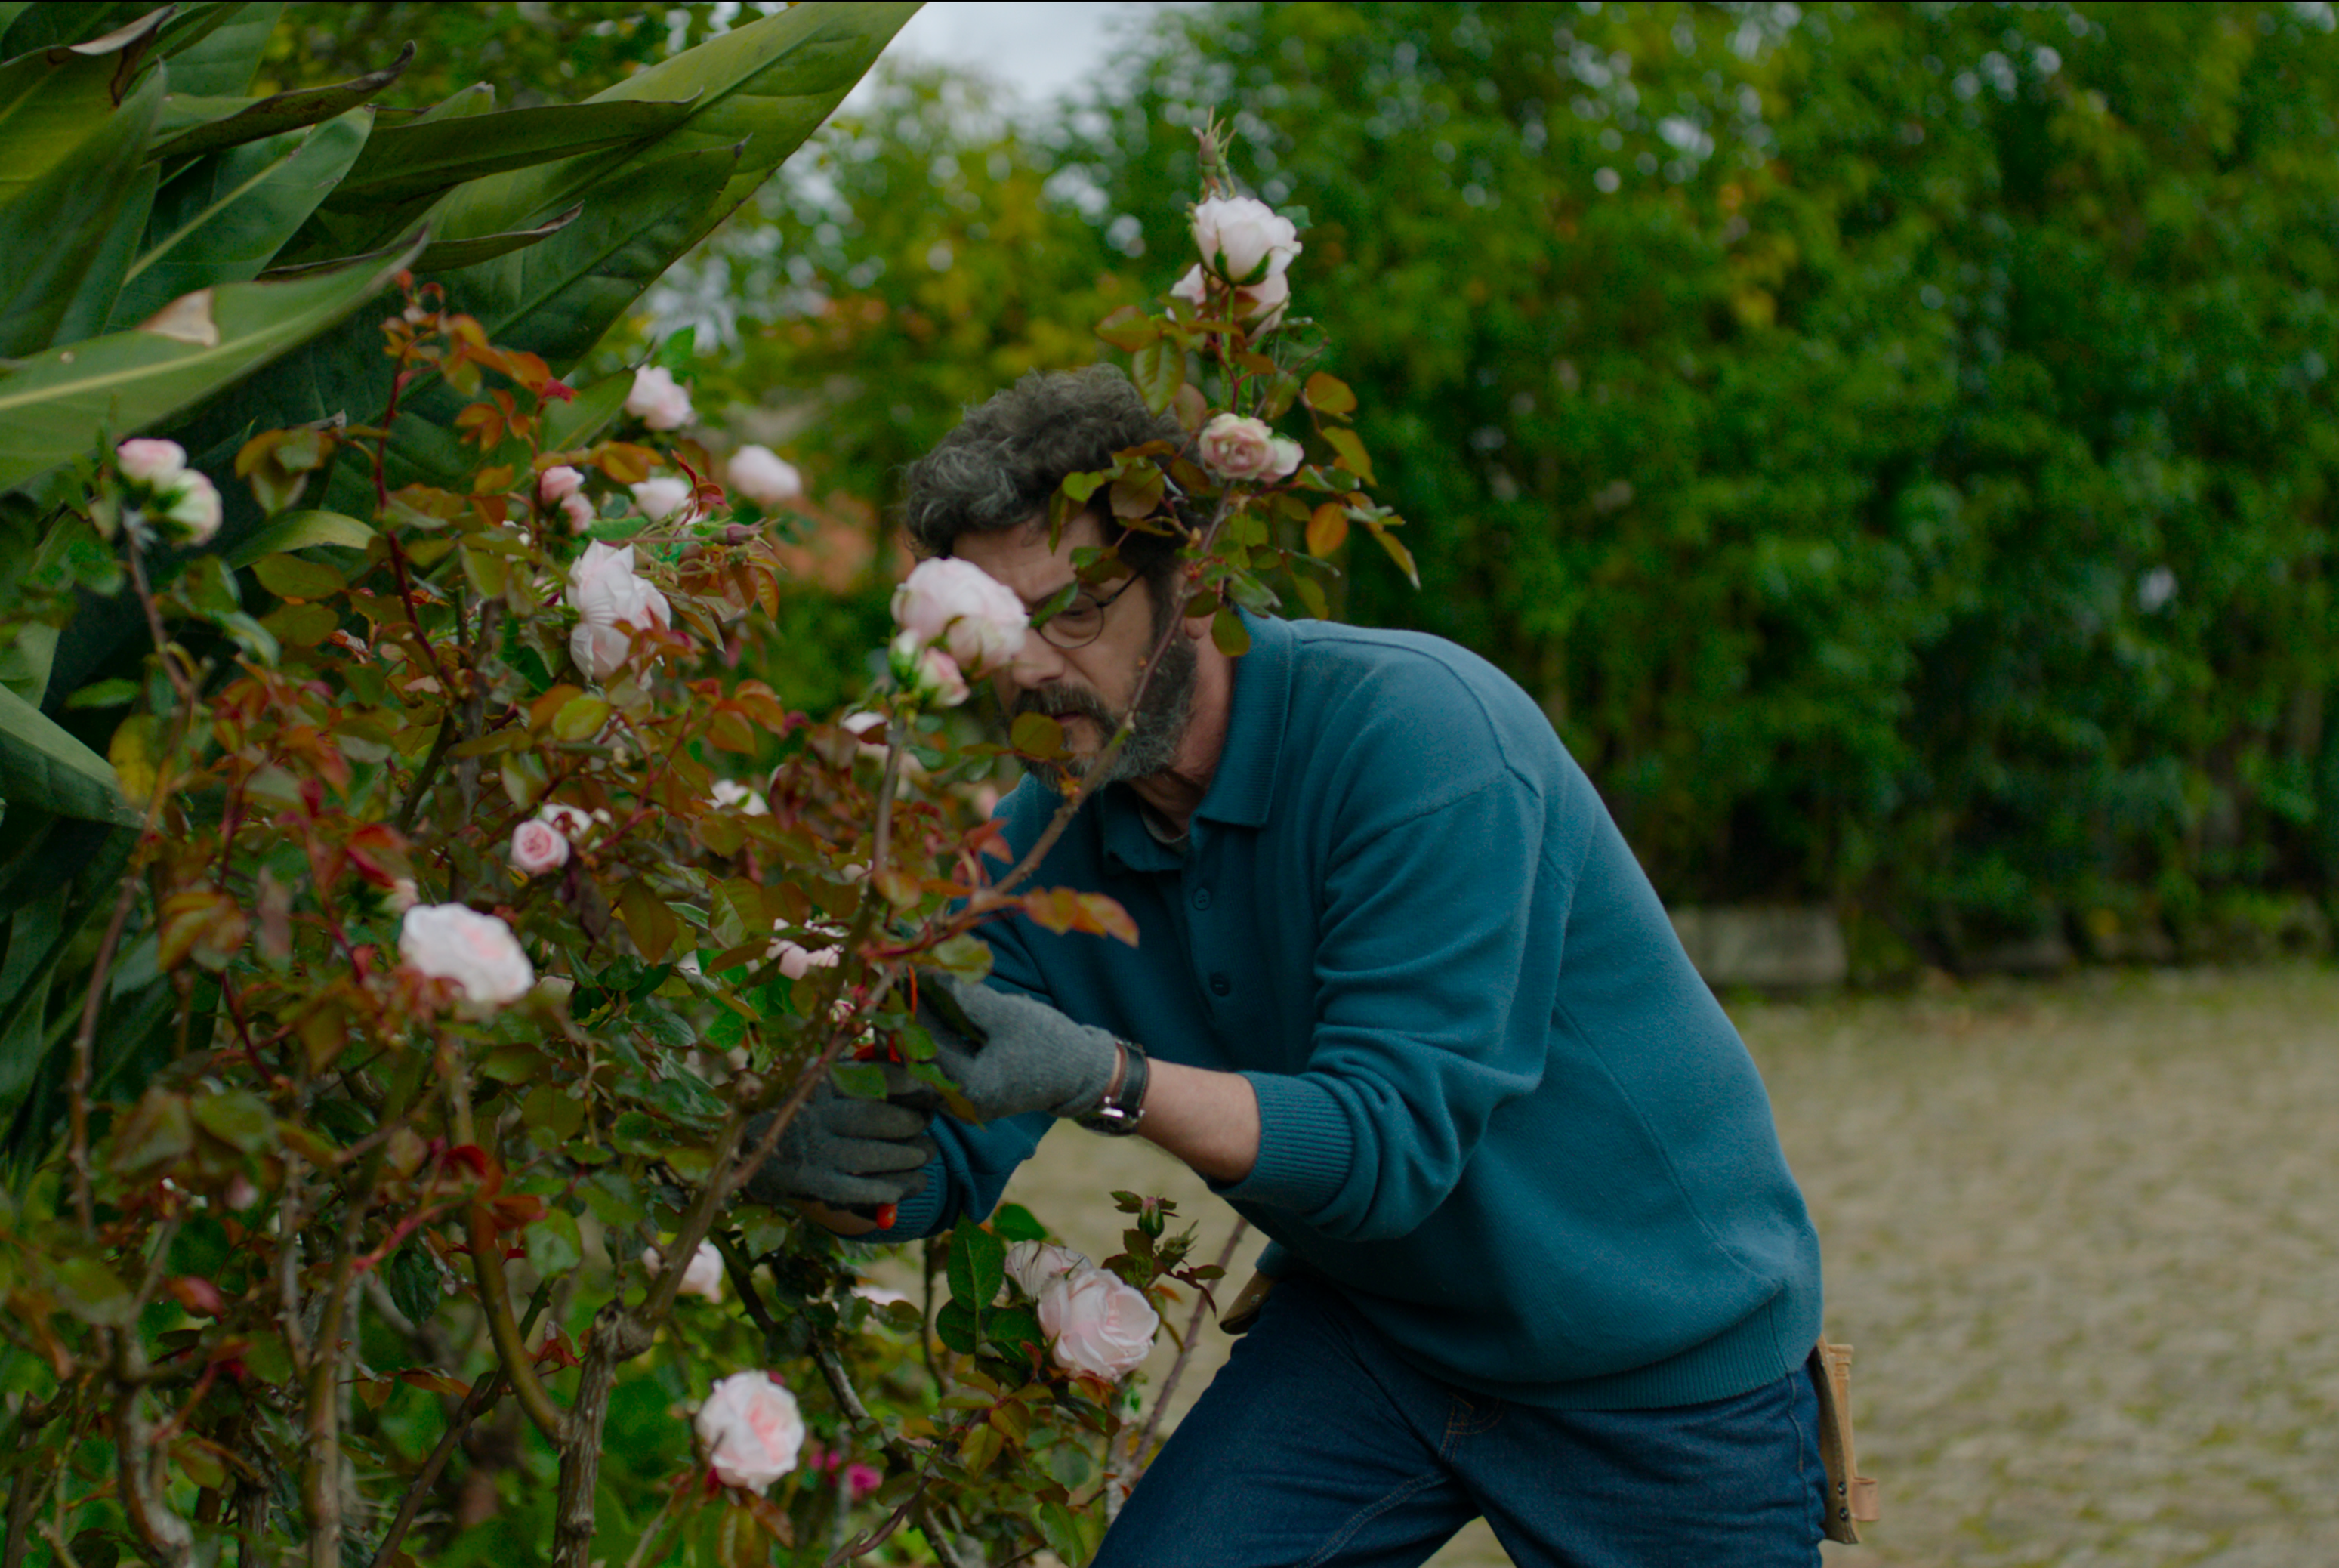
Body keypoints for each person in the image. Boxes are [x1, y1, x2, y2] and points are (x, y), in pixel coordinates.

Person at [749, 365, 1828, 1567]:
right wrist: (827, 1158)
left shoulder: (1419, 740)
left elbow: (1388, 1151)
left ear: (1195, 587)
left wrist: (1106, 1075)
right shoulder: (1037, 851)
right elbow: (953, 1136)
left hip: (1655, 1355)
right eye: (1000, 629)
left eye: (1074, 613)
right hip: (1383, 1334)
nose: (1032, 673)